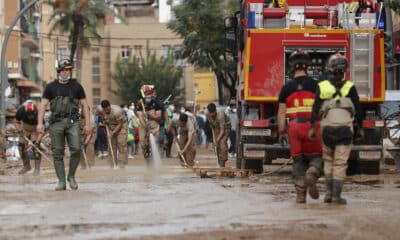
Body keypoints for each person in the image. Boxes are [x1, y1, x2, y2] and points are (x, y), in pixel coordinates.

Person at [309, 53, 363, 205]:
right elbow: (358, 110)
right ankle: (336, 196)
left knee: (328, 161)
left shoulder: (322, 86)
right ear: (344, 70)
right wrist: (360, 129)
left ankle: (328, 193)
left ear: (330, 70)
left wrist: (312, 127)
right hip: (345, 130)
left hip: (327, 130)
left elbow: (315, 109)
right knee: (340, 163)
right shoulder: (350, 87)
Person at [37, 58, 91, 191]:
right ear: (59, 71)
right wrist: (40, 123)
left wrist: (88, 125)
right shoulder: (51, 87)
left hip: (73, 121)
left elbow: (85, 105)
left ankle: (71, 176)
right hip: (56, 122)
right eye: (64, 70)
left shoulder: (76, 86)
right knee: (58, 153)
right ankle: (61, 181)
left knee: (76, 148)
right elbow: (43, 105)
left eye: (68, 70)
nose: (66, 72)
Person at [277, 49, 323, 204]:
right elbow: (322, 110)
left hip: (294, 127)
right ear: (307, 66)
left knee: (298, 160)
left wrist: (282, 131)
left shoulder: (286, 87)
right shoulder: (316, 85)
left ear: (292, 67)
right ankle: (312, 172)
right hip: (313, 126)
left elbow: (282, 113)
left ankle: (300, 195)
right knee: (317, 156)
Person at [97, 99, 128, 168]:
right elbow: (99, 114)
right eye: (104, 110)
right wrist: (104, 120)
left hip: (122, 125)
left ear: (109, 106)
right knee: (111, 145)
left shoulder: (117, 111)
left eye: (107, 109)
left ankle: (122, 165)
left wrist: (113, 133)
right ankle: (113, 165)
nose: (106, 111)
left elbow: (120, 124)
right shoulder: (100, 109)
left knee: (121, 144)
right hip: (111, 125)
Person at [136, 85, 163, 164]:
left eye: (149, 94)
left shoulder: (157, 103)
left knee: (153, 142)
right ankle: (147, 159)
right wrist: (145, 125)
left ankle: (154, 158)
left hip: (154, 123)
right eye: (146, 94)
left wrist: (152, 116)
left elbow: (158, 116)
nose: (148, 96)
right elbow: (140, 116)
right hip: (143, 124)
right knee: (143, 143)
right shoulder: (140, 103)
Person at [16, 100, 43, 175]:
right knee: (21, 147)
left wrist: (37, 142)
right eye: (28, 114)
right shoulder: (21, 110)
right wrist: (19, 130)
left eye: (32, 114)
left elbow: (42, 131)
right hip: (25, 130)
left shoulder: (39, 114)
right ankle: (26, 166)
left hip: (35, 130)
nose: (30, 116)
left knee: (36, 148)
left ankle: (37, 169)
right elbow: (16, 122)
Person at [206, 103, 231, 167]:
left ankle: (222, 163)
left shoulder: (220, 114)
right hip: (216, 127)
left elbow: (222, 131)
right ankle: (219, 162)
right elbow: (211, 124)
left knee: (222, 143)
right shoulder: (207, 114)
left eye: (213, 113)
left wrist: (217, 140)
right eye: (210, 113)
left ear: (215, 111)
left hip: (225, 128)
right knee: (216, 146)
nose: (212, 114)